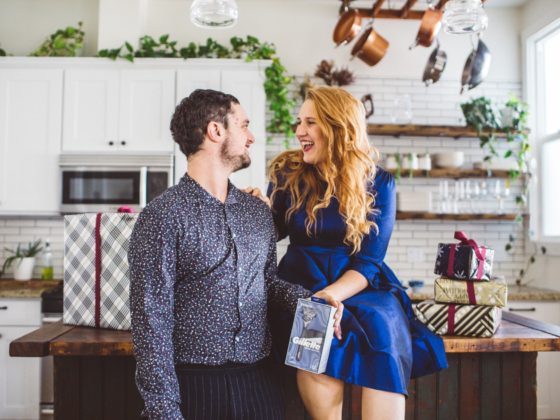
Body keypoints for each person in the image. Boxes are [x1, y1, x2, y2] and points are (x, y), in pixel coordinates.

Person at [128, 89, 343, 420]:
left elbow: (267, 283)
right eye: (243, 125)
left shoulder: (257, 212)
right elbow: (150, 321)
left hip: (261, 383)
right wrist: (164, 411)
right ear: (216, 131)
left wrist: (311, 301)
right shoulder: (163, 215)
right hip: (193, 387)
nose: (251, 136)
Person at [252, 86, 448, 420]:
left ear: (338, 127)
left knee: (383, 330)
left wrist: (328, 295)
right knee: (313, 337)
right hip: (301, 280)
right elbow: (274, 231)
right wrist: (256, 210)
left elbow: (368, 262)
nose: (300, 131)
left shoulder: (379, 183)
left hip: (359, 284)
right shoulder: (288, 172)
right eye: (300, 122)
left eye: (311, 122)